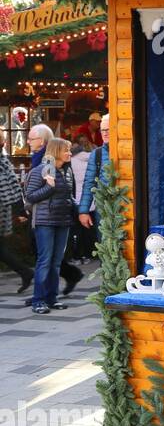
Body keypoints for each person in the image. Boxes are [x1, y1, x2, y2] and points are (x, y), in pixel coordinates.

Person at [26, 123, 82, 297]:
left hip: (62, 221)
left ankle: (51, 298)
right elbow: (31, 196)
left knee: (56, 262)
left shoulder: (66, 171)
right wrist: (49, 187)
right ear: (57, 151)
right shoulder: (42, 168)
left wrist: (81, 210)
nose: (70, 154)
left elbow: (68, 196)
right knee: (45, 261)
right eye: (67, 150)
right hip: (45, 221)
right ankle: (38, 299)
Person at [0, 142, 34, 293]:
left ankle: (25, 272)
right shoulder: (4, 159)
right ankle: (25, 272)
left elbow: (8, 185)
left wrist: (20, 210)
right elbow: (13, 183)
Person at [79, 112, 111, 257]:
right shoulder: (96, 154)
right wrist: (84, 211)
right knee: (104, 248)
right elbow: (89, 183)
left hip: (124, 208)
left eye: (108, 129)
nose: (104, 133)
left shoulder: (128, 152)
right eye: (102, 130)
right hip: (102, 209)